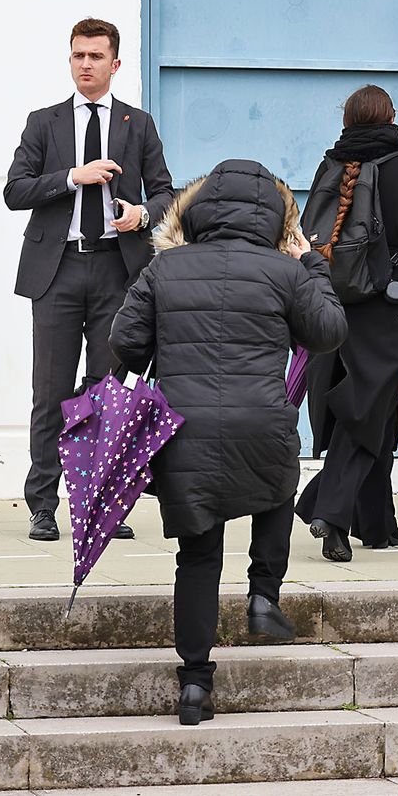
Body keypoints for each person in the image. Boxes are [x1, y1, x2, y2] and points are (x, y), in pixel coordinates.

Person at [109, 159, 347, 727]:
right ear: (275, 219)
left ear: (196, 212)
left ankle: (194, 686)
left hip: (185, 432)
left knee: (197, 555)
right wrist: (310, 261)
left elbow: (124, 343)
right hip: (262, 422)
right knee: (275, 493)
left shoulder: (165, 270)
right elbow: (329, 330)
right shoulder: (285, 272)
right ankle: (263, 595)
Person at [4, 18, 174, 542]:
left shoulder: (137, 125)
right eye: (78, 55)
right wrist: (71, 177)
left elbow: (167, 194)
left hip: (114, 271)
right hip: (56, 270)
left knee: (107, 393)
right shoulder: (45, 122)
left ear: (115, 64)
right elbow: (15, 191)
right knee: (50, 391)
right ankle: (42, 504)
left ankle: (101, 502)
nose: (85, 64)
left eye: (95, 56)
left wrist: (141, 216)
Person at [296, 86, 398, 559]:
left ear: (347, 120)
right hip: (389, 305)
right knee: (366, 409)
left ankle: (378, 524)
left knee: (381, 409)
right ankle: (330, 509)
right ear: (391, 117)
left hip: (333, 302)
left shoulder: (331, 166)